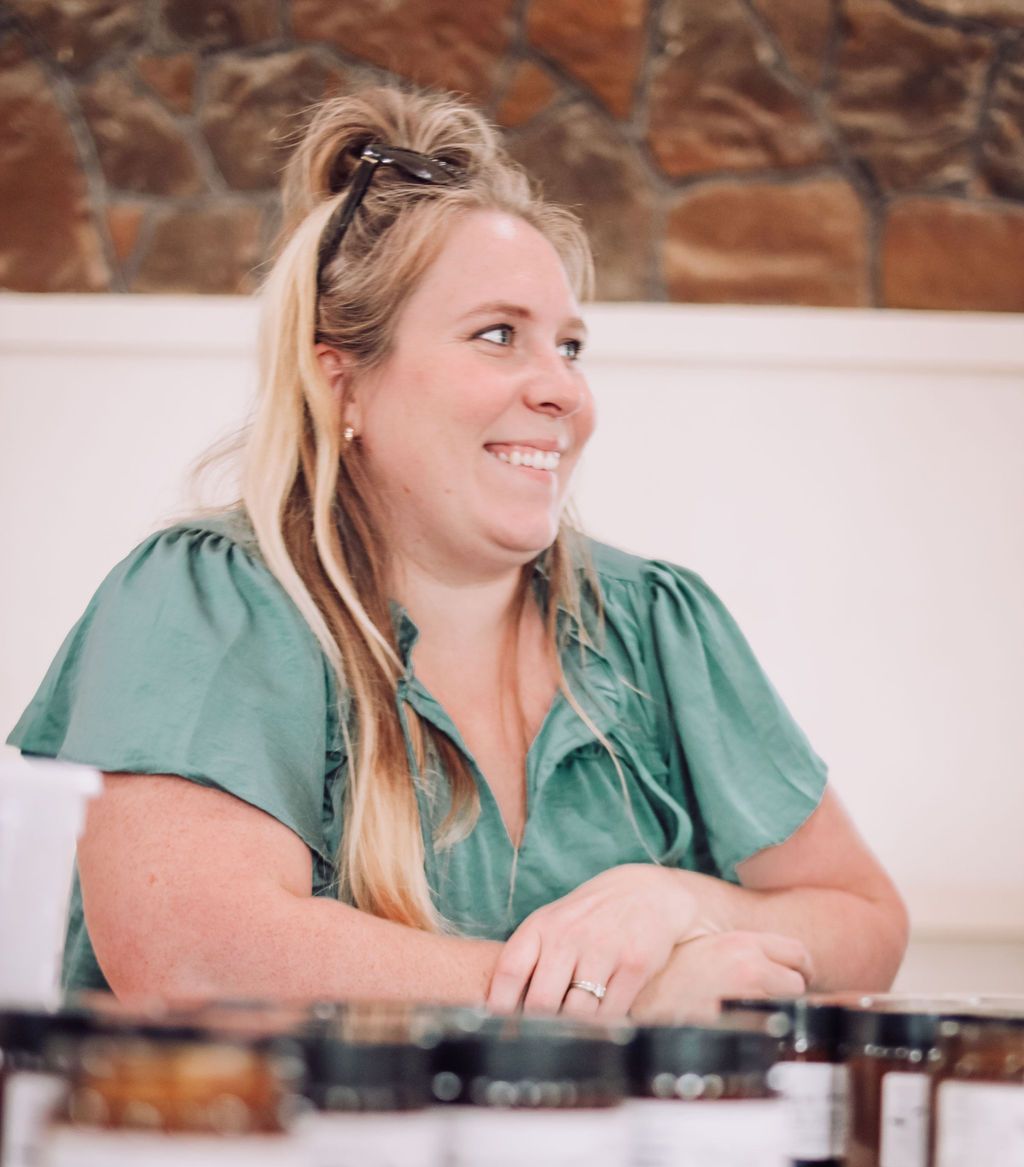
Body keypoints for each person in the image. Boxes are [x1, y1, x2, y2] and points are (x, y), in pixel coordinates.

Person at [9, 85, 908, 1019]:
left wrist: (673, 900)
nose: (562, 389)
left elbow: (865, 923)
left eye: (569, 346)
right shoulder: (206, 598)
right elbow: (193, 955)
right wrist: (605, 1003)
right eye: (497, 335)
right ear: (342, 380)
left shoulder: (660, 621)